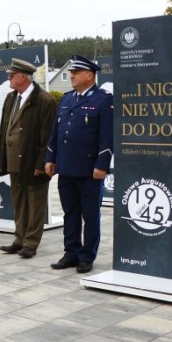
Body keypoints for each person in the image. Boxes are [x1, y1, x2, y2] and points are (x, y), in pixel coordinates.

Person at [46, 55, 113, 274]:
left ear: (90, 75)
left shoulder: (103, 100)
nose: (72, 75)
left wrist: (102, 164)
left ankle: (87, 256)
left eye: (76, 72)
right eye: (72, 72)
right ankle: (71, 253)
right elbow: (56, 132)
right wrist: (50, 158)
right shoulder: (66, 99)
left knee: (90, 215)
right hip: (66, 167)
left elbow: (107, 136)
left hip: (89, 170)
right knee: (70, 213)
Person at [0, 58, 58, 258]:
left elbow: (48, 136)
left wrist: (41, 163)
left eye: (12, 75)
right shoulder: (11, 98)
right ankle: (19, 238)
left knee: (35, 204)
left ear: (24, 77)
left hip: (32, 162)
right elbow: (4, 128)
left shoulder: (45, 101)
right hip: (13, 161)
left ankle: (31, 242)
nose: (9, 78)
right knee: (19, 202)